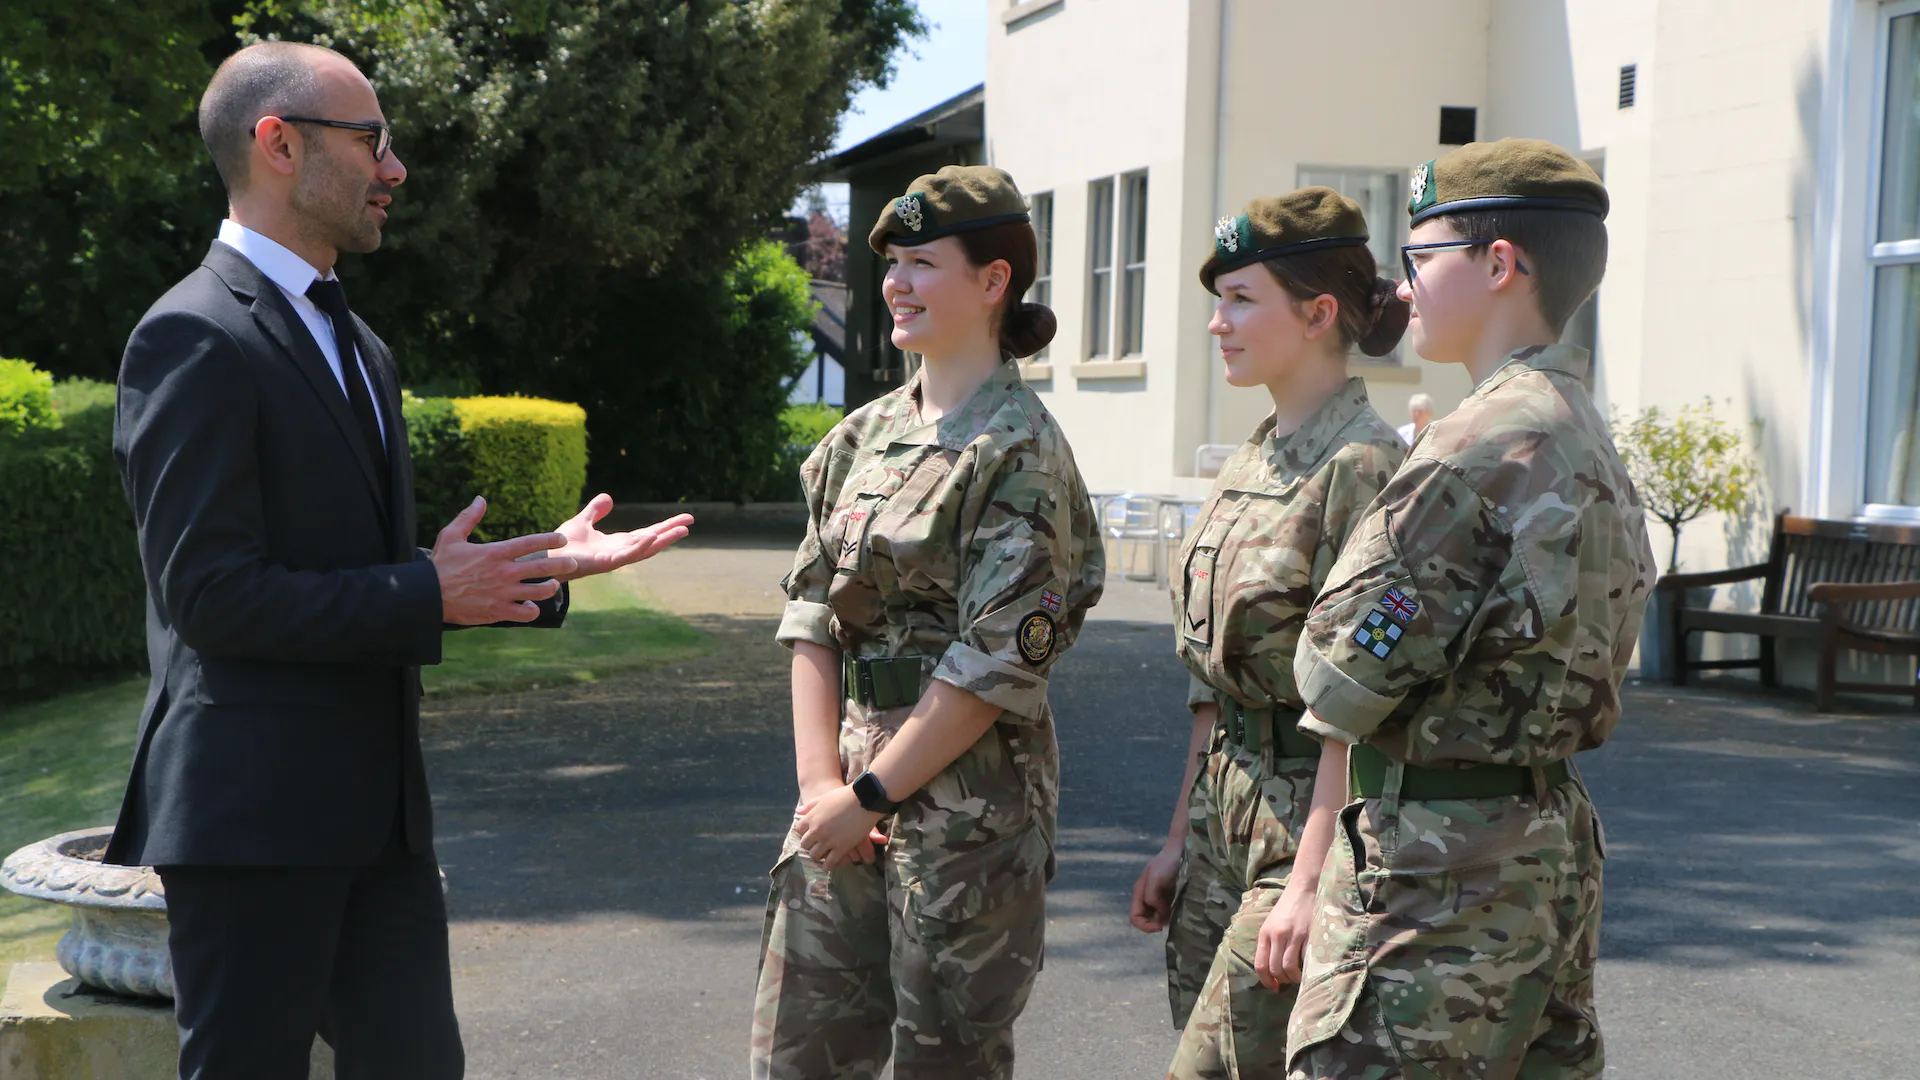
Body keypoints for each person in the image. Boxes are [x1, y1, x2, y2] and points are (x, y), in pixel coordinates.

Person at [108, 42, 693, 1079]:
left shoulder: (360, 343)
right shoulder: (190, 336)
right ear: (278, 145)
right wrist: (429, 589)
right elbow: (209, 596)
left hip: (379, 822)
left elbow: (362, 569)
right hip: (251, 824)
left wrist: (532, 569)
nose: (397, 168)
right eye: (373, 140)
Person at [1259, 139, 1658, 1080]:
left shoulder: (1477, 446)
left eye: (1419, 258)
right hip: (1540, 845)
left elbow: (1337, 671)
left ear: (1498, 265)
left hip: (1435, 872)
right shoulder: (1579, 424)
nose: (1403, 289)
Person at [749, 165, 1104, 1080]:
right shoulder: (861, 436)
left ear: (994, 282)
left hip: (965, 813)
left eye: (922, 262)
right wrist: (821, 789)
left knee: (945, 1060)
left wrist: (868, 798)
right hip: (841, 796)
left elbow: (995, 663)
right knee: (804, 1054)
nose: (897, 283)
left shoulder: (1020, 448)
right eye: (892, 262)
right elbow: (811, 614)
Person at [1126, 189, 1410, 1080]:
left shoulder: (1363, 467)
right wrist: (1179, 837)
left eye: (1242, 299)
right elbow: (1213, 686)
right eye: (1220, 300)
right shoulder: (1255, 452)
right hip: (1223, 813)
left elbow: (1358, 702)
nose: (1219, 323)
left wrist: (1307, 880)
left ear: (1319, 312)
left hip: (1303, 821)